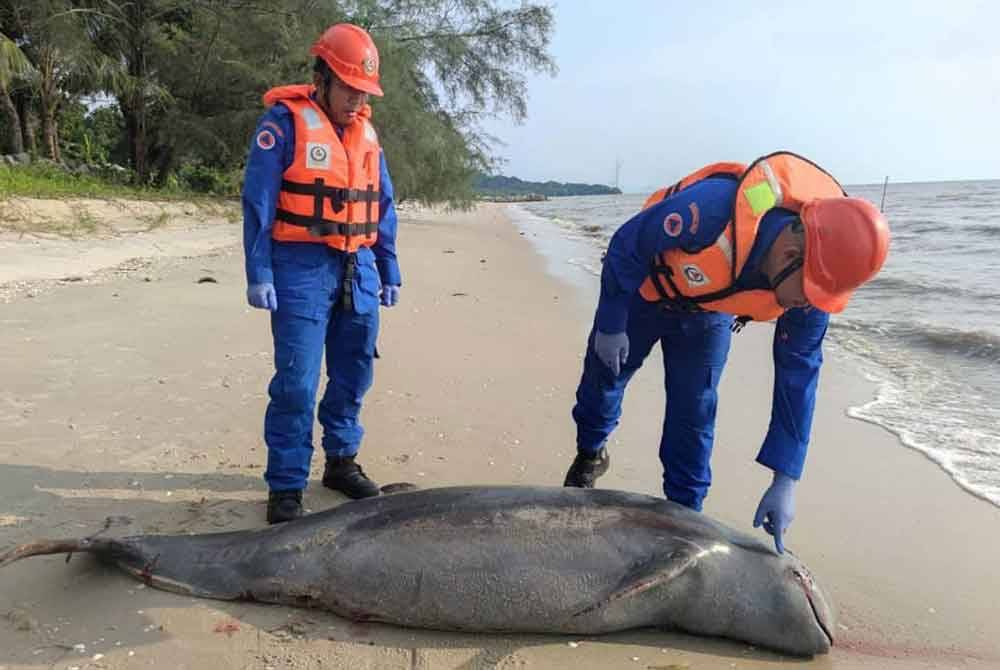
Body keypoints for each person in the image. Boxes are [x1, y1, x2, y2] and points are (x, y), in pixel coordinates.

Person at [564, 152, 890, 553]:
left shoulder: (814, 290)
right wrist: (612, 322)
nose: (807, 307)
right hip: (645, 294)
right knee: (603, 379)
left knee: (695, 412)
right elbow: (628, 243)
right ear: (790, 254)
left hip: (707, 312)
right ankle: (590, 454)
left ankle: (684, 518)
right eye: (808, 295)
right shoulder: (712, 209)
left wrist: (785, 478)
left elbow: (799, 376)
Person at [242, 23, 402, 524]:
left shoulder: (367, 135)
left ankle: (341, 461)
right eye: (350, 87)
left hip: (360, 268)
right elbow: (259, 201)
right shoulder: (282, 125)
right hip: (300, 267)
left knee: (354, 372)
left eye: (364, 91)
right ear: (323, 77)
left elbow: (382, 204)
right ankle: (287, 484)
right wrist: (259, 270)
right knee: (296, 381)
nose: (357, 99)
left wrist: (390, 265)